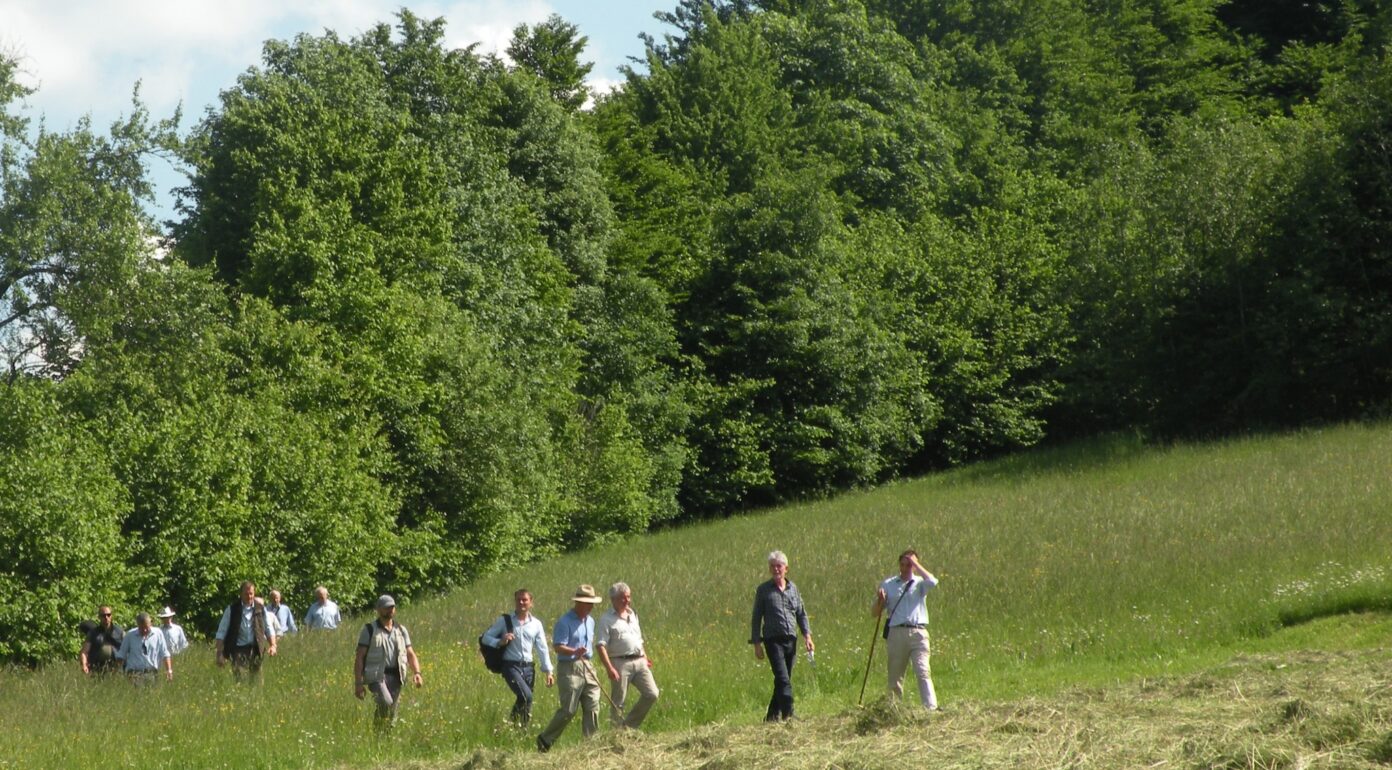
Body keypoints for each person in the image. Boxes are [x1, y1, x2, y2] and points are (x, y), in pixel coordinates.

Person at [536, 584, 604, 753]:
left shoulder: (591, 621)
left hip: (588, 666)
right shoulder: (564, 621)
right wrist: (574, 651)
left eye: (592, 603)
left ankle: (591, 745)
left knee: (593, 705)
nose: (591, 607)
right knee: (569, 710)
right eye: (588, 603)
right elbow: (558, 646)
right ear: (578, 603)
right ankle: (545, 739)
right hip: (570, 667)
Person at [750, 550, 814, 722]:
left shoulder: (794, 589)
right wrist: (757, 643)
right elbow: (756, 617)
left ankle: (771, 716)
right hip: (772, 641)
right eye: (772, 566)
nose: (775, 569)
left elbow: (801, 613)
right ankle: (788, 713)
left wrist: (807, 636)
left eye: (779, 566)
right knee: (783, 678)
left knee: (783, 679)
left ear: (786, 568)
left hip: (791, 640)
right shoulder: (764, 590)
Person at [872, 549, 940, 711]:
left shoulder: (920, 583)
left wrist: (917, 563)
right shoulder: (889, 584)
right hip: (897, 633)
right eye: (903, 564)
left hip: (918, 633)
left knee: (923, 671)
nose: (905, 568)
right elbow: (874, 613)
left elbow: (933, 581)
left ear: (915, 566)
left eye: (910, 564)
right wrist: (880, 601)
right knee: (895, 675)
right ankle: (895, 709)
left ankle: (930, 708)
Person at [482, 588, 554, 726]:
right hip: (511, 666)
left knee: (525, 701)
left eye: (525, 600)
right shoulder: (505, 620)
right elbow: (486, 637)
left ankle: (519, 729)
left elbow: (542, 648)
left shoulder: (536, 624)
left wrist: (548, 671)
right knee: (526, 696)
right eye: (518, 600)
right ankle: (514, 726)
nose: (521, 602)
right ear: (515, 602)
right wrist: (499, 641)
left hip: (528, 668)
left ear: (531, 602)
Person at [595, 582, 659, 729]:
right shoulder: (607, 619)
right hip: (620, 663)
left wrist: (644, 656)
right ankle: (616, 735)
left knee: (652, 693)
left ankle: (628, 727)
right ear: (614, 600)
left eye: (628, 597)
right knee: (618, 702)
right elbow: (600, 645)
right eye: (623, 598)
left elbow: (638, 639)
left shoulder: (633, 615)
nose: (627, 601)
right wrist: (609, 668)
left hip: (639, 661)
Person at [354, 595, 423, 729]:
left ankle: (384, 738)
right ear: (379, 609)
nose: (390, 610)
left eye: (392, 607)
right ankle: (377, 731)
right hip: (376, 676)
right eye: (386, 607)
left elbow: (410, 653)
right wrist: (358, 683)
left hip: (397, 675)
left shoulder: (401, 630)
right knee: (386, 702)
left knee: (392, 711)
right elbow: (359, 657)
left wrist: (417, 672)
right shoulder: (369, 630)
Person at [215, 581, 277, 683]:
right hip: (238, 650)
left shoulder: (260, 609)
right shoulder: (232, 609)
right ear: (241, 594)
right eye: (246, 594)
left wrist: (273, 645)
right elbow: (221, 632)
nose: (249, 596)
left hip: (257, 649)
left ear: (254, 593)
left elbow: (269, 628)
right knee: (240, 680)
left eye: (251, 593)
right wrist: (219, 653)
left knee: (257, 681)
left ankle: (257, 698)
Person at [114, 612, 173, 685]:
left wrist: (169, 670)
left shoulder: (158, 634)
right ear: (138, 625)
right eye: (142, 628)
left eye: (146, 627)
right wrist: (116, 673)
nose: (144, 630)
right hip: (134, 675)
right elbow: (121, 655)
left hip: (152, 674)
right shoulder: (130, 635)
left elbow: (165, 653)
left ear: (150, 623)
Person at [79, 605, 124, 676]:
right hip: (97, 667)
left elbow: (127, 649)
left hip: (116, 667)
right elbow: (84, 652)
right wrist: (84, 665)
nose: (106, 617)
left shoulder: (119, 631)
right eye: (103, 615)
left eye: (108, 615)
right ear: (99, 617)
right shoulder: (93, 633)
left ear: (111, 616)